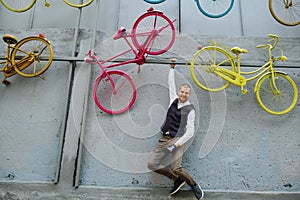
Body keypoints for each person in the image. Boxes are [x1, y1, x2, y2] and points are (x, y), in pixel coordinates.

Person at [147, 59, 204, 199]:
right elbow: (170, 83)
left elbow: (190, 131)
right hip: (163, 139)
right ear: (179, 91)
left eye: (187, 93)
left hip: (177, 139)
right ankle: (177, 179)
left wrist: (176, 145)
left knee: (176, 168)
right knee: (152, 164)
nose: (184, 94)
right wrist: (171, 68)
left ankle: (193, 185)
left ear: (189, 95)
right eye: (182, 91)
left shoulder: (191, 110)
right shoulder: (173, 99)